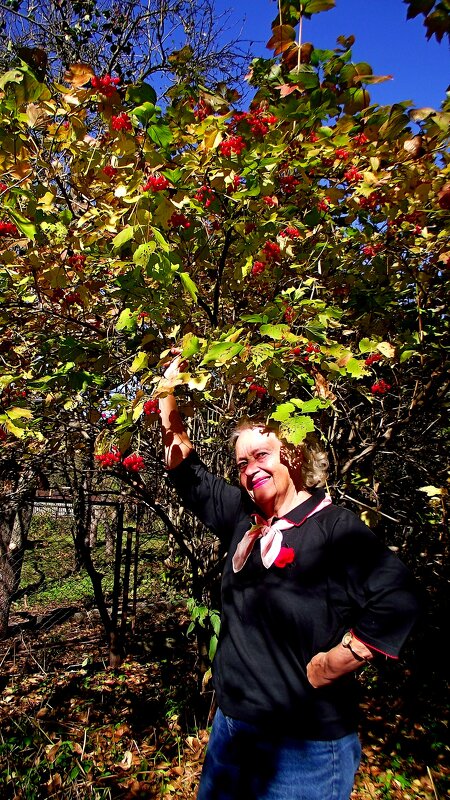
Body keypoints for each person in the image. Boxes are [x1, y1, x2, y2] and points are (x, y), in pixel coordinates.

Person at [157, 353, 422, 800]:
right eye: (241, 463)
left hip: (304, 749)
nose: (249, 469)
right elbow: (186, 470)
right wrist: (167, 392)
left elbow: (399, 599)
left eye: (261, 455)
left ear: (294, 455)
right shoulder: (243, 518)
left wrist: (337, 660)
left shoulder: (334, 527)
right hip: (231, 734)